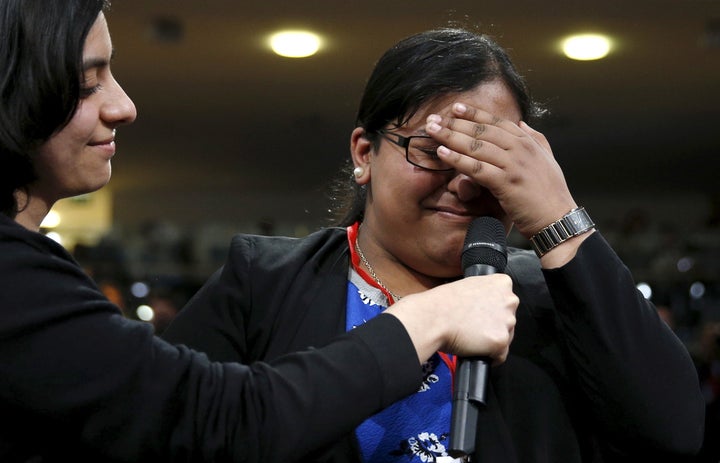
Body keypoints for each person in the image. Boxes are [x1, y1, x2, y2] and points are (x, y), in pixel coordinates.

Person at [0, 3, 521, 461]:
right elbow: (213, 422)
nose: (123, 106)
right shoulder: (265, 277)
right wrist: (427, 318)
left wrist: (558, 218)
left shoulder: (537, 293)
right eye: (89, 80)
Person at [162, 28, 706, 462]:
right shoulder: (264, 280)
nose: (465, 179)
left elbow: (674, 431)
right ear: (364, 153)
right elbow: (167, 431)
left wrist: (559, 218)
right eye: (431, 149)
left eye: (490, 155)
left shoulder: (554, 297)